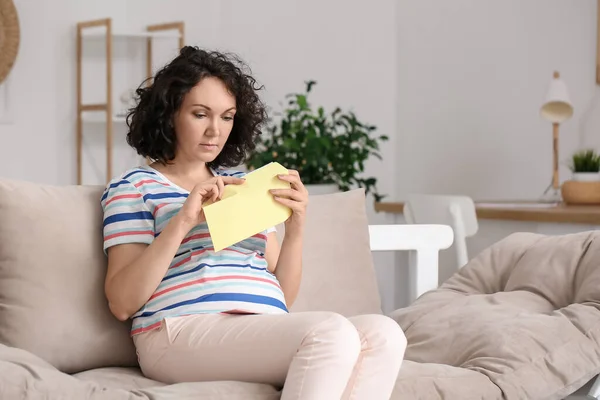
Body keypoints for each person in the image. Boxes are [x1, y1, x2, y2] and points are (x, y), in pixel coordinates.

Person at [100, 46, 407, 400]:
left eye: (227, 117)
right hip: (175, 330)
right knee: (330, 331)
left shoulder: (242, 184)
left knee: (384, 333)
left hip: (261, 323)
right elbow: (122, 302)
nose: (215, 130)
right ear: (169, 115)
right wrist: (184, 219)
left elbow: (283, 297)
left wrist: (296, 228)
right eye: (200, 114)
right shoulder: (134, 187)